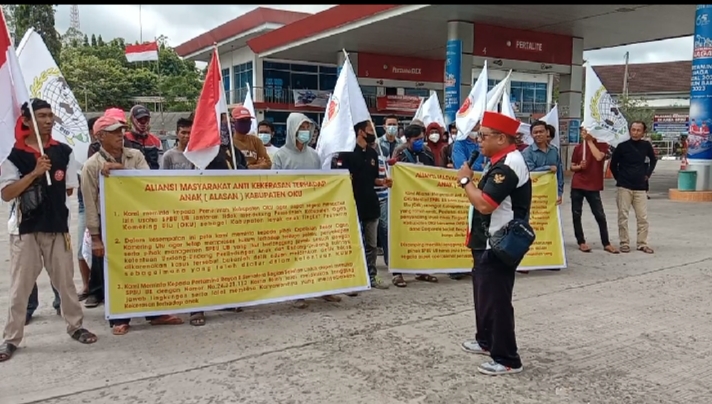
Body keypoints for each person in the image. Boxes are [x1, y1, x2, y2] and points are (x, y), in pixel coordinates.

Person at [0, 99, 98, 362]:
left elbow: (67, 188)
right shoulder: (12, 155)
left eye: (50, 115)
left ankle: (75, 326)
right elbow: (7, 194)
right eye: (41, 116)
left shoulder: (63, 152)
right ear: (27, 121)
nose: (48, 120)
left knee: (66, 283)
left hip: (57, 227)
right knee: (20, 287)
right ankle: (11, 339)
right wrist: (34, 174)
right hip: (26, 229)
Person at [82, 115, 184, 334]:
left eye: (121, 131)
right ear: (100, 136)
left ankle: (155, 313)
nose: (120, 135)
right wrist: (96, 237)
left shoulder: (135, 155)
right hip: (109, 221)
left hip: (138, 219)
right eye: (113, 132)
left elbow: (147, 182)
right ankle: (120, 317)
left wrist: (121, 170)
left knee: (147, 267)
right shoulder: (91, 166)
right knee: (114, 270)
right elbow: (90, 204)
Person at [457, 111, 530, 376]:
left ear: (501, 138)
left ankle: (508, 359)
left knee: (497, 301)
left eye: (483, 136)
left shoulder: (508, 165)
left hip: (500, 244)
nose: (478, 140)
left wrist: (465, 180)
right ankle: (485, 341)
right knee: (485, 297)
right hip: (486, 241)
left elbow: (485, 204)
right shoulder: (498, 161)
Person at [161, 117, 235, 325]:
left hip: (202, 217)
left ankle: (212, 301)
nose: (186, 136)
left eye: (189, 133)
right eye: (183, 132)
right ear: (177, 133)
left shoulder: (203, 156)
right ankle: (194, 307)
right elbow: (161, 185)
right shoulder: (169, 157)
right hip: (179, 217)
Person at [272, 113, 342, 307]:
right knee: (294, 256)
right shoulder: (280, 155)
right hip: (291, 214)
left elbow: (321, 183)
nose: (305, 132)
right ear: (292, 129)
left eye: (307, 128)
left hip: (312, 213)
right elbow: (275, 186)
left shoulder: (314, 155)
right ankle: (296, 294)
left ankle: (323, 290)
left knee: (317, 253)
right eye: (301, 127)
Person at [332, 121, 390, 290]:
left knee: (372, 244)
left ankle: (371, 276)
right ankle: (351, 280)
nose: (373, 132)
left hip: (371, 204)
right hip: (352, 205)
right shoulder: (347, 153)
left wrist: (382, 182)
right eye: (370, 130)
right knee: (353, 244)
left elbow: (372, 179)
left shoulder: (373, 153)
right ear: (360, 132)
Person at [391, 125, 439, 287]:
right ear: (408, 139)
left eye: (421, 139)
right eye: (417, 139)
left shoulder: (427, 153)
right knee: (401, 236)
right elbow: (394, 172)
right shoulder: (400, 152)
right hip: (404, 201)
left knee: (422, 236)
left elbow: (435, 173)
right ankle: (397, 273)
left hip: (423, 201)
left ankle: (422, 270)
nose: (420, 142)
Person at [610, 121, 657, 254]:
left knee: (642, 217)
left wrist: (647, 174)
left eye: (638, 130)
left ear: (643, 132)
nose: (635, 132)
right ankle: (624, 243)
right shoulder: (622, 147)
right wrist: (619, 178)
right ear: (630, 131)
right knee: (623, 216)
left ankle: (642, 243)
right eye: (633, 130)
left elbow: (653, 160)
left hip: (640, 187)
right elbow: (613, 165)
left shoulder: (646, 146)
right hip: (624, 186)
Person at [570, 128, 619, 254]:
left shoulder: (602, 145)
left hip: (593, 185)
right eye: (583, 131)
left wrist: (590, 142)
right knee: (576, 214)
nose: (585, 134)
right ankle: (581, 241)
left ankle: (606, 242)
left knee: (599, 215)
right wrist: (579, 166)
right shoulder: (578, 148)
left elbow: (598, 157)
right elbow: (572, 166)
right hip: (578, 184)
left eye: (587, 131)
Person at [522, 120, 564, 205]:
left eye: (541, 131)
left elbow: (559, 173)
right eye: (535, 132)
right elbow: (530, 171)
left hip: (551, 193)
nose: (538, 134)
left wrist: (559, 193)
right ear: (531, 134)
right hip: (534, 195)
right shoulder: (527, 152)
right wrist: (548, 168)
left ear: (547, 132)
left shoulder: (554, 151)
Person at [125, 105, 162, 169]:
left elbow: (161, 166)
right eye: (139, 119)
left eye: (146, 119)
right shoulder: (124, 138)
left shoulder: (156, 141)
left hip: (152, 177)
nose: (143, 122)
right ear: (132, 119)